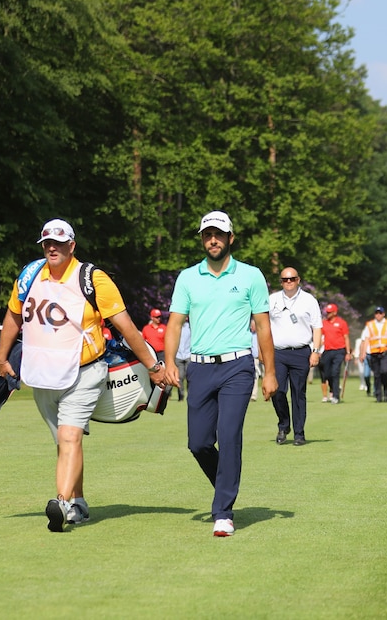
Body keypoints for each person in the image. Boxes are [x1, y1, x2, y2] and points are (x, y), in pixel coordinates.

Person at [0, 218, 161, 533]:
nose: (51, 247)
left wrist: (153, 366)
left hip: (86, 372)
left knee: (69, 437)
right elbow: (13, 317)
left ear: (72, 245)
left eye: (58, 242)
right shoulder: (30, 275)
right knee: (65, 441)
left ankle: (62, 503)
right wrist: (2, 357)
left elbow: (126, 326)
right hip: (43, 376)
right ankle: (80, 502)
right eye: (46, 243)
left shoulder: (93, 278)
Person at [161, 211, 277, 538]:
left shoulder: (251, 276)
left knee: (228, 436)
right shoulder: (188, 277)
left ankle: (223, 511)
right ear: (202, 239)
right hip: (198, 367)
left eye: (219, 234)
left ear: (230, 238)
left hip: (237, 367)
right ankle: (225, 484)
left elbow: (264, 327)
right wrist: (169, 361)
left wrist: (269, 373)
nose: (213, 239)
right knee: (198, 443)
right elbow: (174, 323)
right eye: (207, 234)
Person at [268, 267, 322, 444]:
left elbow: (317, 328)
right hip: (278, 352)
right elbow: (263, 327)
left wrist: (315, 351)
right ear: (281, 281)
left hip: (301, 352)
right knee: (277, 391)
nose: (288, 282)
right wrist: (262, 351)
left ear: (298, 280)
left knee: (298, 393)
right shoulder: (272, 300)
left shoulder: (309, 300)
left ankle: (299, 433)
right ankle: (284, 425)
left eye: (292, 279)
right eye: (285, 279)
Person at [359, 306, 387, 403]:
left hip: (385, 352)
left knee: (384, 372)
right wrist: (363, 353)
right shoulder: (370, 325)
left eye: (380, 313)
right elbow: (366, 339)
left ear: (383, 314)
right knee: (377, 375)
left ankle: (386, 390)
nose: (378, 315)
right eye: (376, 313)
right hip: (374, 353)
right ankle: (378, 395)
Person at [319, 303, 350, 403]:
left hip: (339, 351)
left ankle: (336, 396)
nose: (327, 314)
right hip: (327, 351)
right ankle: (334, 388)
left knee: (335, 372)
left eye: (329, 312)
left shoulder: (342, 323)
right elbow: (320, 337)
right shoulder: (324, 323)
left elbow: (346, 338)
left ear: (335, 312)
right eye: (326, 312)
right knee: (327, 374)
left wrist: (348, 352)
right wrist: (317, 350)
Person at [173, 317, 191, 401]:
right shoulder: (176, 326)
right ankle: (181, 395)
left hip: (188, 354)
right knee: (180, 377)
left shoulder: (190, 327)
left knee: (190, 377)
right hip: (178, 355)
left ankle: (190, 395)